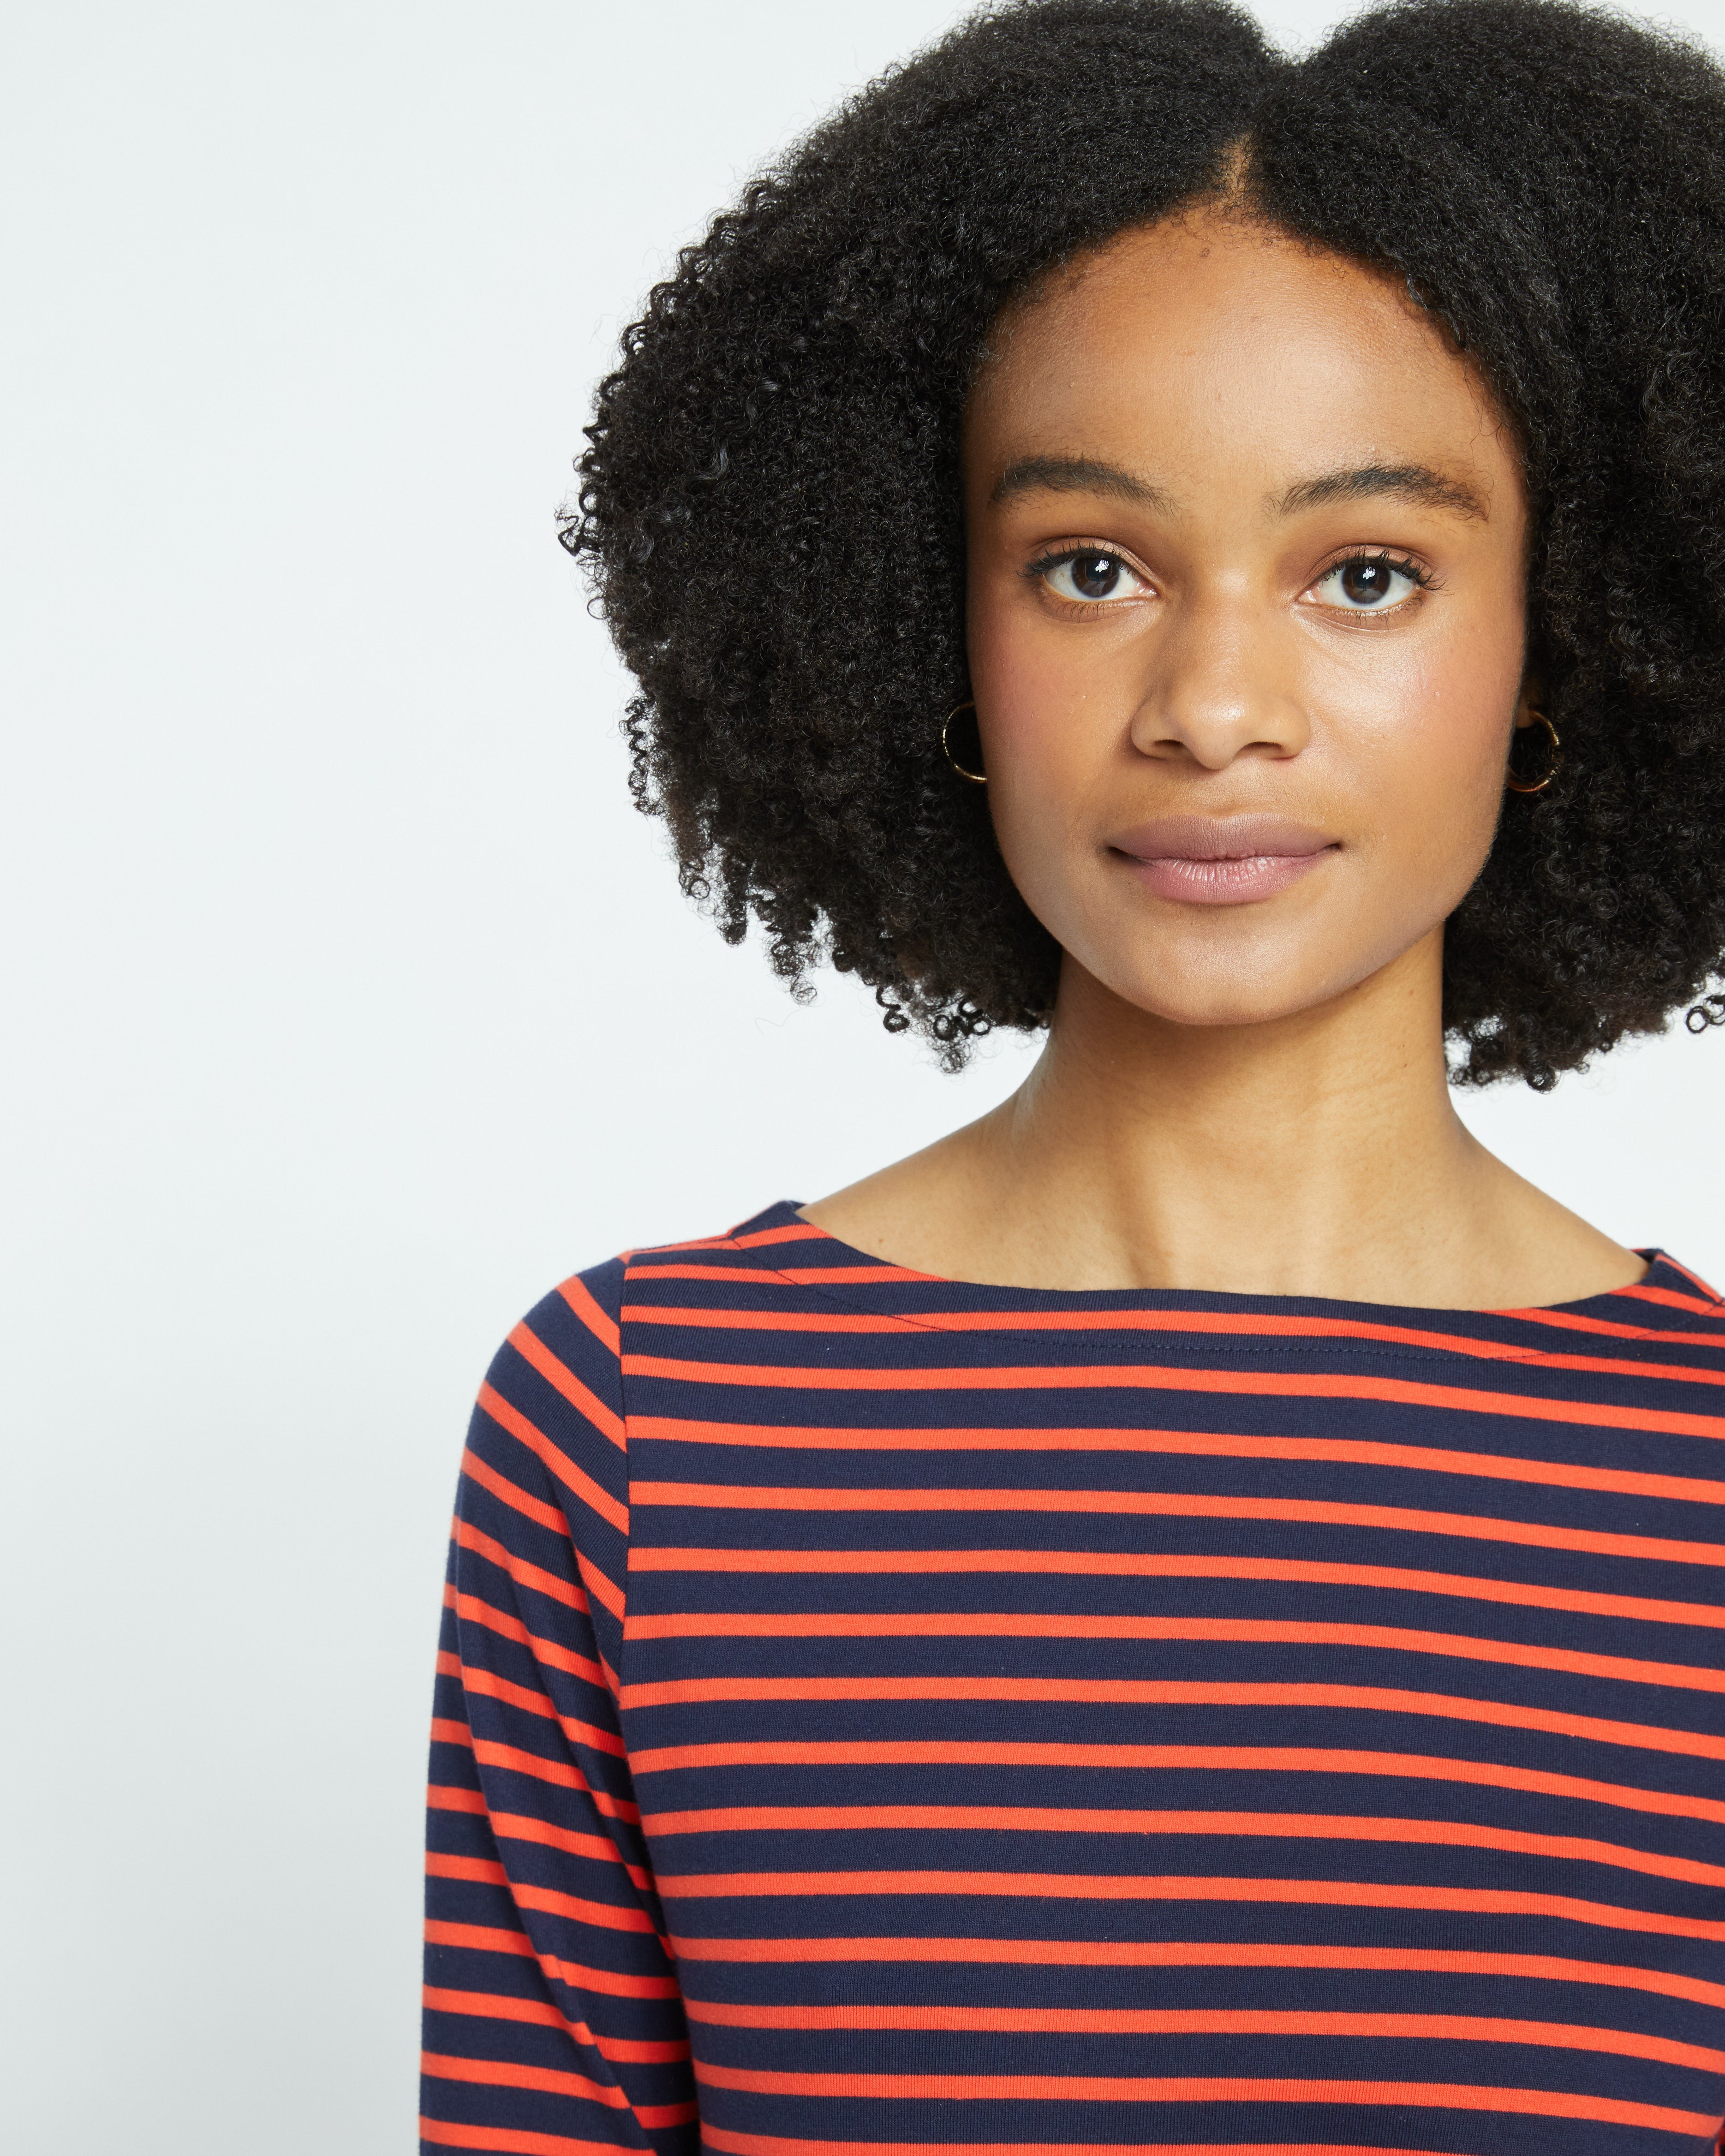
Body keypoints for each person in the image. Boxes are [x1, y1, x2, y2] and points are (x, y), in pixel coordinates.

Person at [420, 1, 1725, 2150]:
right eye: (1091, 567)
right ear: (925, 619)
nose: (1215, 703)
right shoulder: (644, 1429)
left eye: (1365, 573)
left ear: (1561, 640)